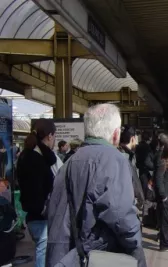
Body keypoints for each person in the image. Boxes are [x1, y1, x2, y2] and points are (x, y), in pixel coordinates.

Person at [45, 104, 146, 267]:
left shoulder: (68, 163)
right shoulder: (115, 160)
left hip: (67, 257)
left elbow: (54, 212)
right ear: (115, 134)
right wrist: (136, 248)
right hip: (103, 256)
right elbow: (121, 216)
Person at [17, 119, 63, 267]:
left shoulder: (25, 155)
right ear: (50, 136)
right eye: (54, 136)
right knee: (43, 255)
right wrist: (45, 209)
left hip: (32, 217)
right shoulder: (38, 160)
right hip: (42, 216)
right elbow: (39, 188)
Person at [118, 125, 145, 210]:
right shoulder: (125, 157)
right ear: (133, 138)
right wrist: (140, 199)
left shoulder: (120, 153)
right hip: (126, 203)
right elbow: (133, 180)